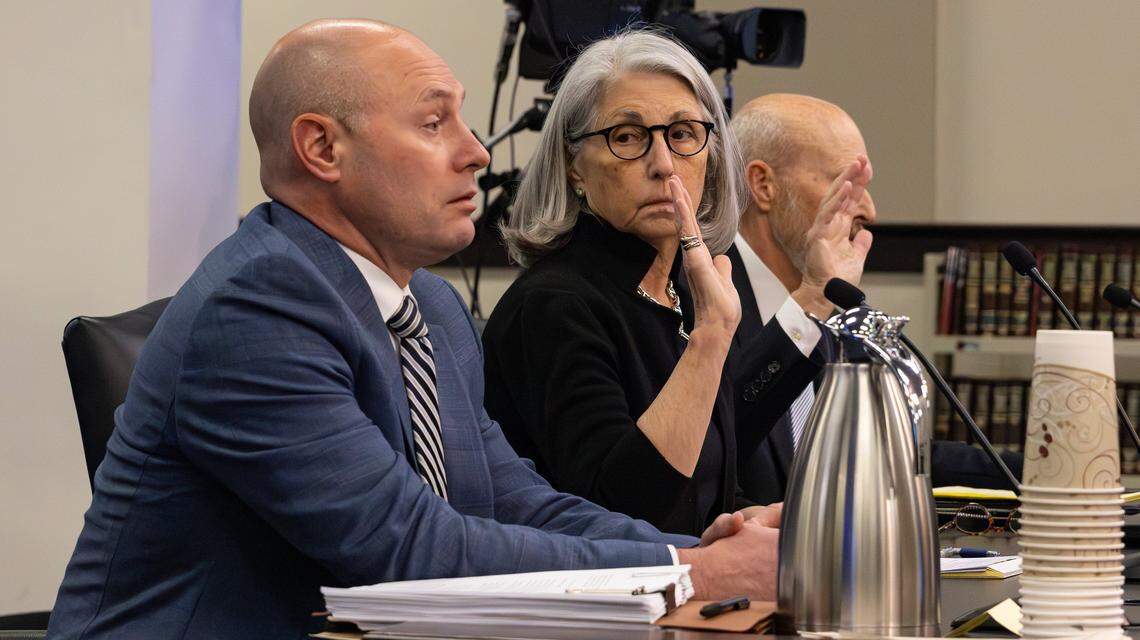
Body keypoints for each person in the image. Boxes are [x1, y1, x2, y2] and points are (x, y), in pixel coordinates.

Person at [48, 20, 778, 639]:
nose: (477, 152)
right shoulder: (256, 310)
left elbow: (514, 500)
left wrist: (693, 547)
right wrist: (692, 572)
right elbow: (408, 547)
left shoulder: (428, 304)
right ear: (322, 149)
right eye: (434, 124)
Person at [482, 32, 862, 537]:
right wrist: (712, 337)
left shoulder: (678, 289)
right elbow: (621, 512)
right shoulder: (554, 305)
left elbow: (702, 473)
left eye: (682, 134)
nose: (663, 165)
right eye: (627, 136)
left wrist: (741, 517)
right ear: (573, 165)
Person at [728, 93, 1023, 504]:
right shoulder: (701, 296)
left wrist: (1046, 474)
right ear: (763, 186)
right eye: (846, 184)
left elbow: (896, 452)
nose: (870, 208)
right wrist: (809, 302)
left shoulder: (837, 308)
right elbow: (715, 445)